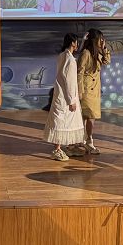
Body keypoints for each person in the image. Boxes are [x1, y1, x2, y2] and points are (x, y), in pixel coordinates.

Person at [43, 33, 85, 161]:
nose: (77, 44)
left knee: (65, 122)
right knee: (61, 122)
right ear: (73, 43)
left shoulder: (63, 55)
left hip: (62, 94)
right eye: (76, 42)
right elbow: (69, 81)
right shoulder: (70, 59)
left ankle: (67, 147)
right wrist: (72, 100)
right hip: (66, 97)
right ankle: (57, 150)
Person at [76, 28, 110, 155]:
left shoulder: (98, 52)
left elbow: (107, 61)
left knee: (90, 116)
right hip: (86, 89)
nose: (102, 41)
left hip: (95, 89)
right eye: (100, 39)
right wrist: (80, 90)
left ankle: (85, 140)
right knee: (89, 116)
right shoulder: (86, 53)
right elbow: (79, 72)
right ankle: (87, 141)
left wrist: (104, 48)